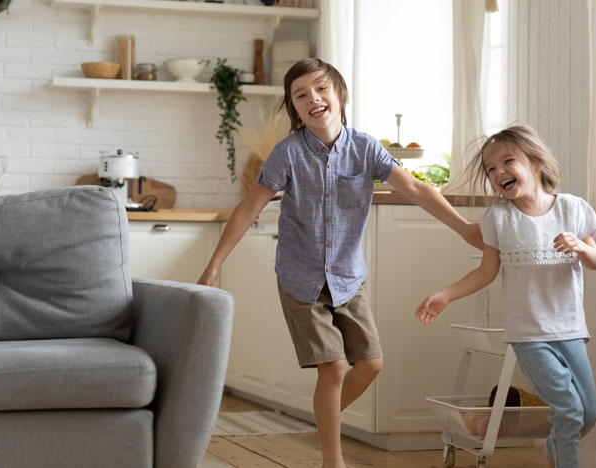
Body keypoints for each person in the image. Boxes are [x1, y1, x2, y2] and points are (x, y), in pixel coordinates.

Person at [198, 58, 483, 468]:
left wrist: (464, 228)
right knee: (332, 368)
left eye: (320, 89)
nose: (313, 99)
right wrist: (214, 265)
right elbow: (248, 209)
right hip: (301, 279)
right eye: (301, 95)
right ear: (294, 109)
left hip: (349, 278)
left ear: (340, 94)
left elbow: (418, 189)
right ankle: (333, 461)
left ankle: (323, 415)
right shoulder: (288, 153)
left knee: (371, 365)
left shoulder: (366, 148)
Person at [415, 123, 596, 468]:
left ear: (536, 163)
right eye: (490, 168)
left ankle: (552, 449)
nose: (498, 172)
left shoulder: (573, 209)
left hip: (571, 330)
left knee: (589, 412)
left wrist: (580, 247)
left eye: (507, 162)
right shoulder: (498, 219)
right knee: (569, 409)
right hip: (529, 336)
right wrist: (446, 294)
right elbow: (486, 272)